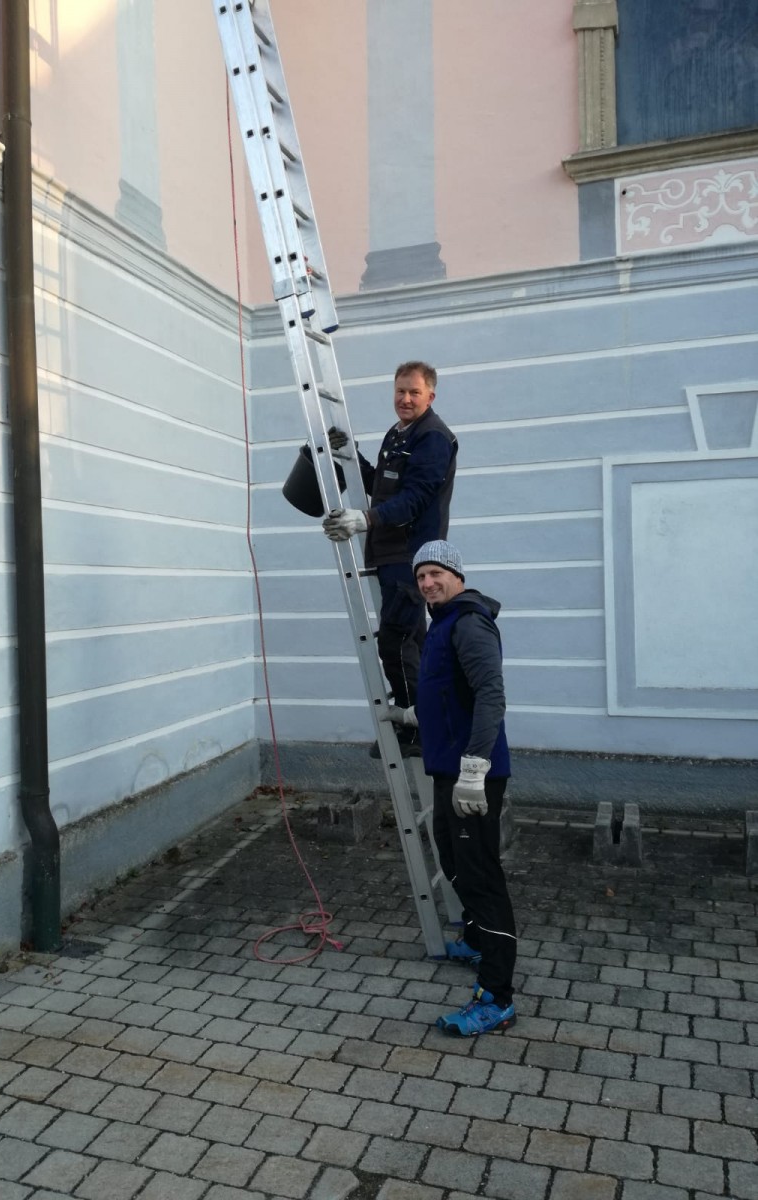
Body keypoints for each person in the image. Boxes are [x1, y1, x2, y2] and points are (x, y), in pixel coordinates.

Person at [383, 539, 517, 1037]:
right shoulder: (443, 625)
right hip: (447, 771)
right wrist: (408, 714)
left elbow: (490, 694)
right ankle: (479, 939)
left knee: (481, 878)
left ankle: (497, 996)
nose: (426, 583)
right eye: (420, 576)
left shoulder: (468, 622)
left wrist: (475, 768)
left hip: (472, 777)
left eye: (436, 573)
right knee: (452, 858)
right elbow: (449, 697)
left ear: (457, 575)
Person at [322, 362, 458, 755]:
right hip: (388, 553)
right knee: (410, 642)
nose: (405, 399)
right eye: (400, 391)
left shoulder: (432, 438)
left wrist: (364, 519)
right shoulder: (398, 435)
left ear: (430, 396)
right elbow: (380, 486)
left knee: (395, 642)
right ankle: (417, 723)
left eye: (414, 392)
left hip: (408, 554)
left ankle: (416, 729)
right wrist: (351, 455)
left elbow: (415, 499)